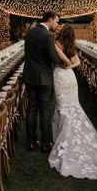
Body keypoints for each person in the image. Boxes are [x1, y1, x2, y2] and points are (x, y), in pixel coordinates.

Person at [48, 24, 97, 179]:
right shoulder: (71, 45)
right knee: (71, 107)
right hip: (69, 77)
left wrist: (65, 64)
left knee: (63, 107)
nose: (58, 27)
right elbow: (78, 63)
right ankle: (63, 138)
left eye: (60, 28)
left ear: (63, 32)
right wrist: (69, 67)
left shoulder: (56, 44)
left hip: (61, 77)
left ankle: (63, 141)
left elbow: (67, 61)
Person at [23, 11, 71, 153]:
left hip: (29, 76)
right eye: (56, 21)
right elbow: (53, 59)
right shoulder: (47, 36)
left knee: (31, 109)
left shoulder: (30, 33)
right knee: (45, 110)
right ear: (50, 20)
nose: (57, 24)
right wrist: (61, 57)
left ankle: (31, 142)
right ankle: (45, 143)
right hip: (44, 78)